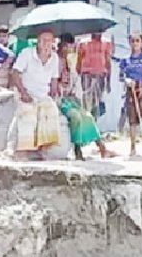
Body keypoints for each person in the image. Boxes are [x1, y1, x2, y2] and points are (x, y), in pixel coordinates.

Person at [57, 33, 112, 161]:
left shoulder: (69, 64)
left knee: (87, 116)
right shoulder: (54, 61)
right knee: (75, 116)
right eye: (67, 48)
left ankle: (101, 147)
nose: (69, 51)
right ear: (61, 47)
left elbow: (75, 81)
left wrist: (74, 92)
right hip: (59, 99)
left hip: (70, 99)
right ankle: (77, 148)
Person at [10, 29, 61, 160]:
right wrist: (23, 93)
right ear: (37, 42)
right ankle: (22, 152)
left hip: (43, 95)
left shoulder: (54, 57)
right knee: (29, 116)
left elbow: (54, 79)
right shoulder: (27, 53)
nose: (46, 44)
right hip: (26, 92)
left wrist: (54, 95)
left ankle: (42, 150)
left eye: (49, 41)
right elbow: (15, 73)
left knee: (52, 112)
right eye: (43, 41)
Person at [77, 32, 113, 117]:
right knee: (86, 99)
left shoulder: (106, 43)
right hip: (87, 74)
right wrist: (79, 74)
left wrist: (108, 81)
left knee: (97, 101)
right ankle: (86, 121)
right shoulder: (83, 43)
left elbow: (108, 61)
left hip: (100, 75)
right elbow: (79, 60)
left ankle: (95, 121)